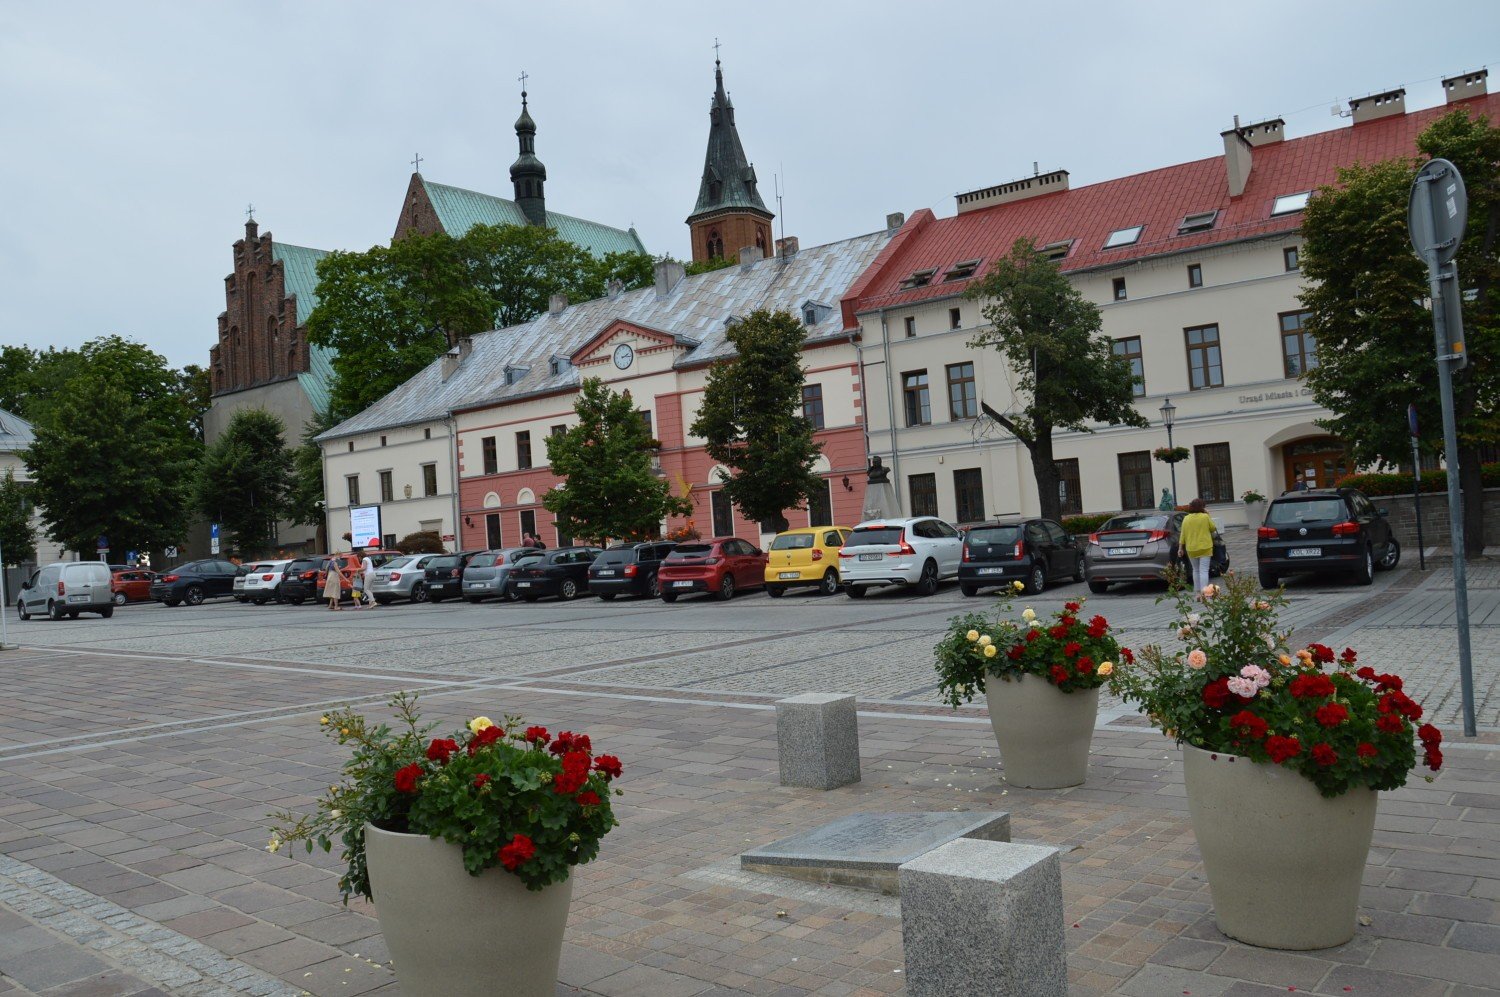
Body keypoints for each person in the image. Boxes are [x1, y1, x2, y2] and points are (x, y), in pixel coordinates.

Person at [1178, 498, 1219, 593]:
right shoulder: (1205, 517)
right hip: (1205, 547)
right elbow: (1213, 528)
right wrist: (1208, 514)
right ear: (1202, 507)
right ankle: (1205, 592)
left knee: (1195, 570)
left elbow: (1182, 534)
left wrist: (1180, 548)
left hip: (1191, 548)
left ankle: (1197, 593)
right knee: (1204, 571)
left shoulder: (1186, 518)